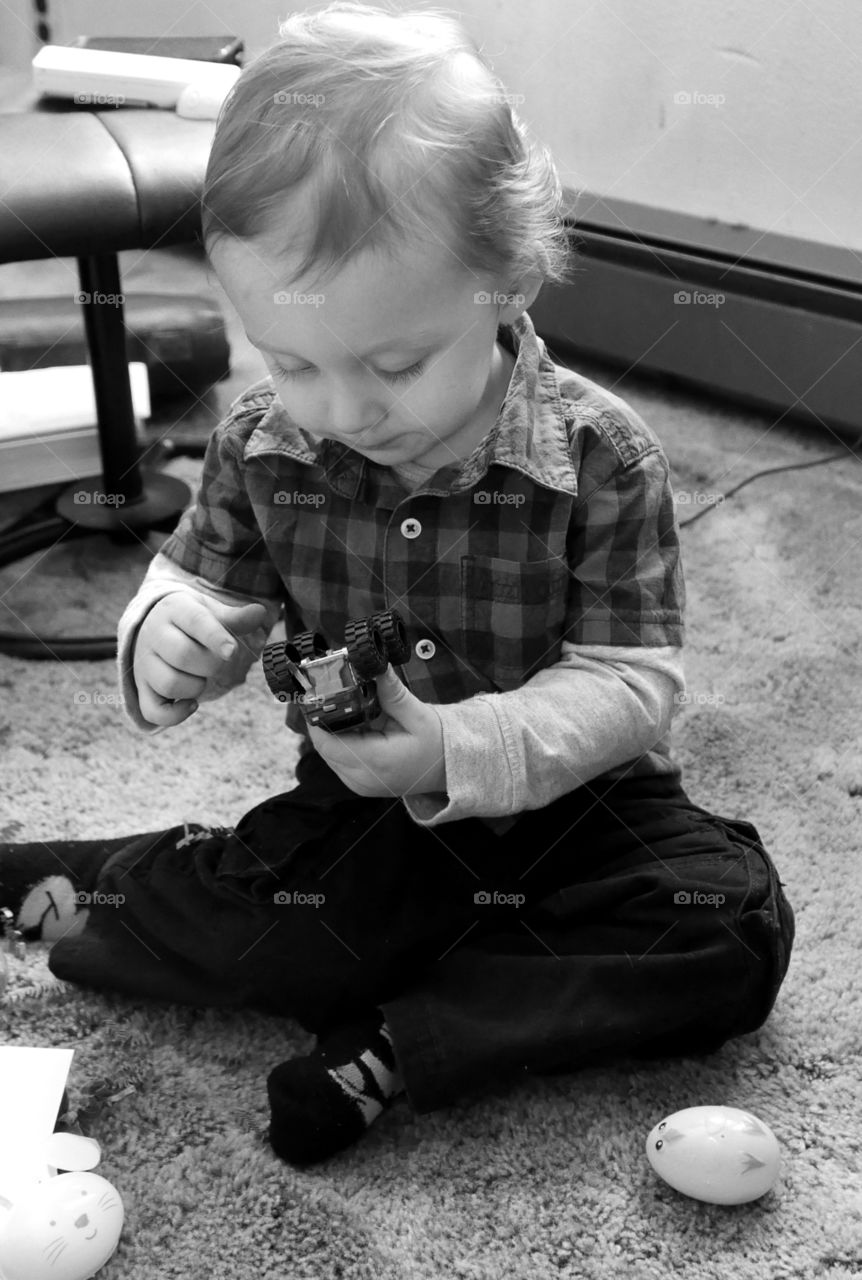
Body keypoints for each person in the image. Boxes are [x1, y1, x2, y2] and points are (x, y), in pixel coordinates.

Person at [0, 2, 794, 1167]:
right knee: (278, 932)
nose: (340, 409)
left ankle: (400, 1041)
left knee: (728, 927)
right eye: (291, 360)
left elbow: (631, 684)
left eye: (393, 362)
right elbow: (199, 582)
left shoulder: (599, 454)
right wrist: (173, 634)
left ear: (507, 280)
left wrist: (455, 749)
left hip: (586, 810)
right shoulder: (269, 440)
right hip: (364, 815)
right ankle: (93, 876)